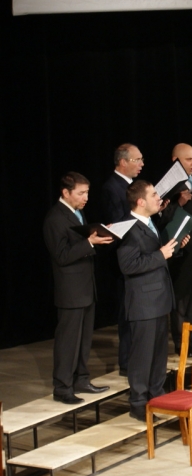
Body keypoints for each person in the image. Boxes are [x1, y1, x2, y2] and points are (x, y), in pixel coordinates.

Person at [117, 180, 187, 421]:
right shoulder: (128, 228)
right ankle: (138, 401)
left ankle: (156, 394)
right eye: (154, 195)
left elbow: (155, 257)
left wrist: (173, 249)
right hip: (143, 303)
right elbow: (128, 265)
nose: (159, 198)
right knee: (142, 355)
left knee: (158, 354)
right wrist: (160, 255)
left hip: (159, 299)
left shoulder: (149, 222)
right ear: (140, 201)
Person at [43, 172, 113, 404]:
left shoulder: (77, 213)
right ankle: (62, 387)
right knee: (68, 341)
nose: (86, 198)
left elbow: (81, 243)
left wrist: (99, 235)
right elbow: (61, 255)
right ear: (66, 193)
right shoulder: (55, 218)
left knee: (84, 340)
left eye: (87, 193)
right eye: (81, 193)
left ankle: (81, 379)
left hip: (85, 288)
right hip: (70, 291)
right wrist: (89, 242)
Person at [100, 143, 146, 377]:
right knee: (127, 313)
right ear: (122, 162)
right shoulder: (112, 187)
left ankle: (137, 357)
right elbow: (117, 222)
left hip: (140, 254)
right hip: (125, 257)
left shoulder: (131, 186)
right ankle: (127, 362)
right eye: (137, 160)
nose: (142, 164)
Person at [161, 143, 192, 354]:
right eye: (188, 159)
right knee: (181, 299)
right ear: (175, 161)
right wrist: (178, 202)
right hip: (182, 248)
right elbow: (160, 218)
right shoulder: (167, 184)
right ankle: (181, 343)